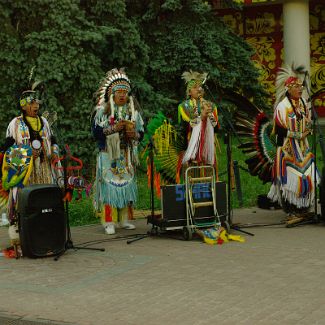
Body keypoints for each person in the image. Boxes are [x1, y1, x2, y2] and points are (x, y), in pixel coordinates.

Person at [1, 81, 60, 246]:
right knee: (24, 203)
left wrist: (53, 151)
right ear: (23, 105)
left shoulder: (45, 122)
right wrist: (27, 152)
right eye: (32, 103)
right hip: (25, 174)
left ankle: (44, 234)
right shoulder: (15, 124)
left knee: (44, 202)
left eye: (37, 102)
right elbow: (7, 150)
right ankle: (20, 237)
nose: (36, 105)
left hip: (44, 170)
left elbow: (53, 141)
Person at [92, 68, 144, 235]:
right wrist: (115, 127)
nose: (122, 95)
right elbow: (96, 133)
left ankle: (123, 220)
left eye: (125, 92)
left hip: (126, 154)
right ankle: (108, 221)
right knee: (109, 187)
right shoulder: (102, 112)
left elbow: (141, 134)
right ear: (112, 94)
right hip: (108, 154)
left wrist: (133, 133)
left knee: (125, 185)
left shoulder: (133, 112)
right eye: (118, 92)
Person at [267, 64, 320, 220]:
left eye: (301, 86)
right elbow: (280, 131)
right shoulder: (282, 107)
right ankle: (291, 209)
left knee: (309, 175)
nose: (300, 89)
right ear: (289, 88)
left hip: (303, 148)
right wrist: (299, 134)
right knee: (291, 179)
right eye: (297, 86)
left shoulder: (303, 103)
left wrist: (308, 129)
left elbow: (308, 120)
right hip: (287, 149)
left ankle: (304, 207)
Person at [178, 70, 220, 168]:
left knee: (209, 174)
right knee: (192, 175)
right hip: (190, 146)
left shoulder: (211, 106)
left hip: (207, 146)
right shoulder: (184, 106)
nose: (199, 89)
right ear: (189, 92)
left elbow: (216, 128)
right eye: (195, 87)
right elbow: (185, 128)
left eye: (200, 87)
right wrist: (202, 117)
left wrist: (210, 116)